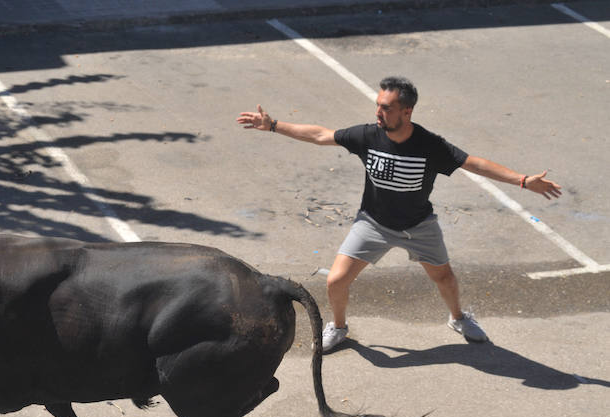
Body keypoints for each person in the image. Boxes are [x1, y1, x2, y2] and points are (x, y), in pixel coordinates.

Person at [237, 76, 561, 352]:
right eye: (378, 105)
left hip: (419, 226)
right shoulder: (368, 135)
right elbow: (322, 135)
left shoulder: (430, 145)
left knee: (444, 278)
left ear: (406, 111)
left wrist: (521, 180)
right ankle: (338, 327)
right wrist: (273, 125)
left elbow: (473, 163)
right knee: (336, 281)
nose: (378, 112)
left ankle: (458, 318)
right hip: (374, 224)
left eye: (386, 107)